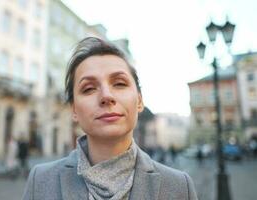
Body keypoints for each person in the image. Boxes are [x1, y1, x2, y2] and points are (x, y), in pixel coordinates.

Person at [22, 37, 197, 200]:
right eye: (89, 88)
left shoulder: (179, 187)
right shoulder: (40, 181)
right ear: (74, 109)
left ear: (139, 101)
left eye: (119, 84)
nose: (106, 96)